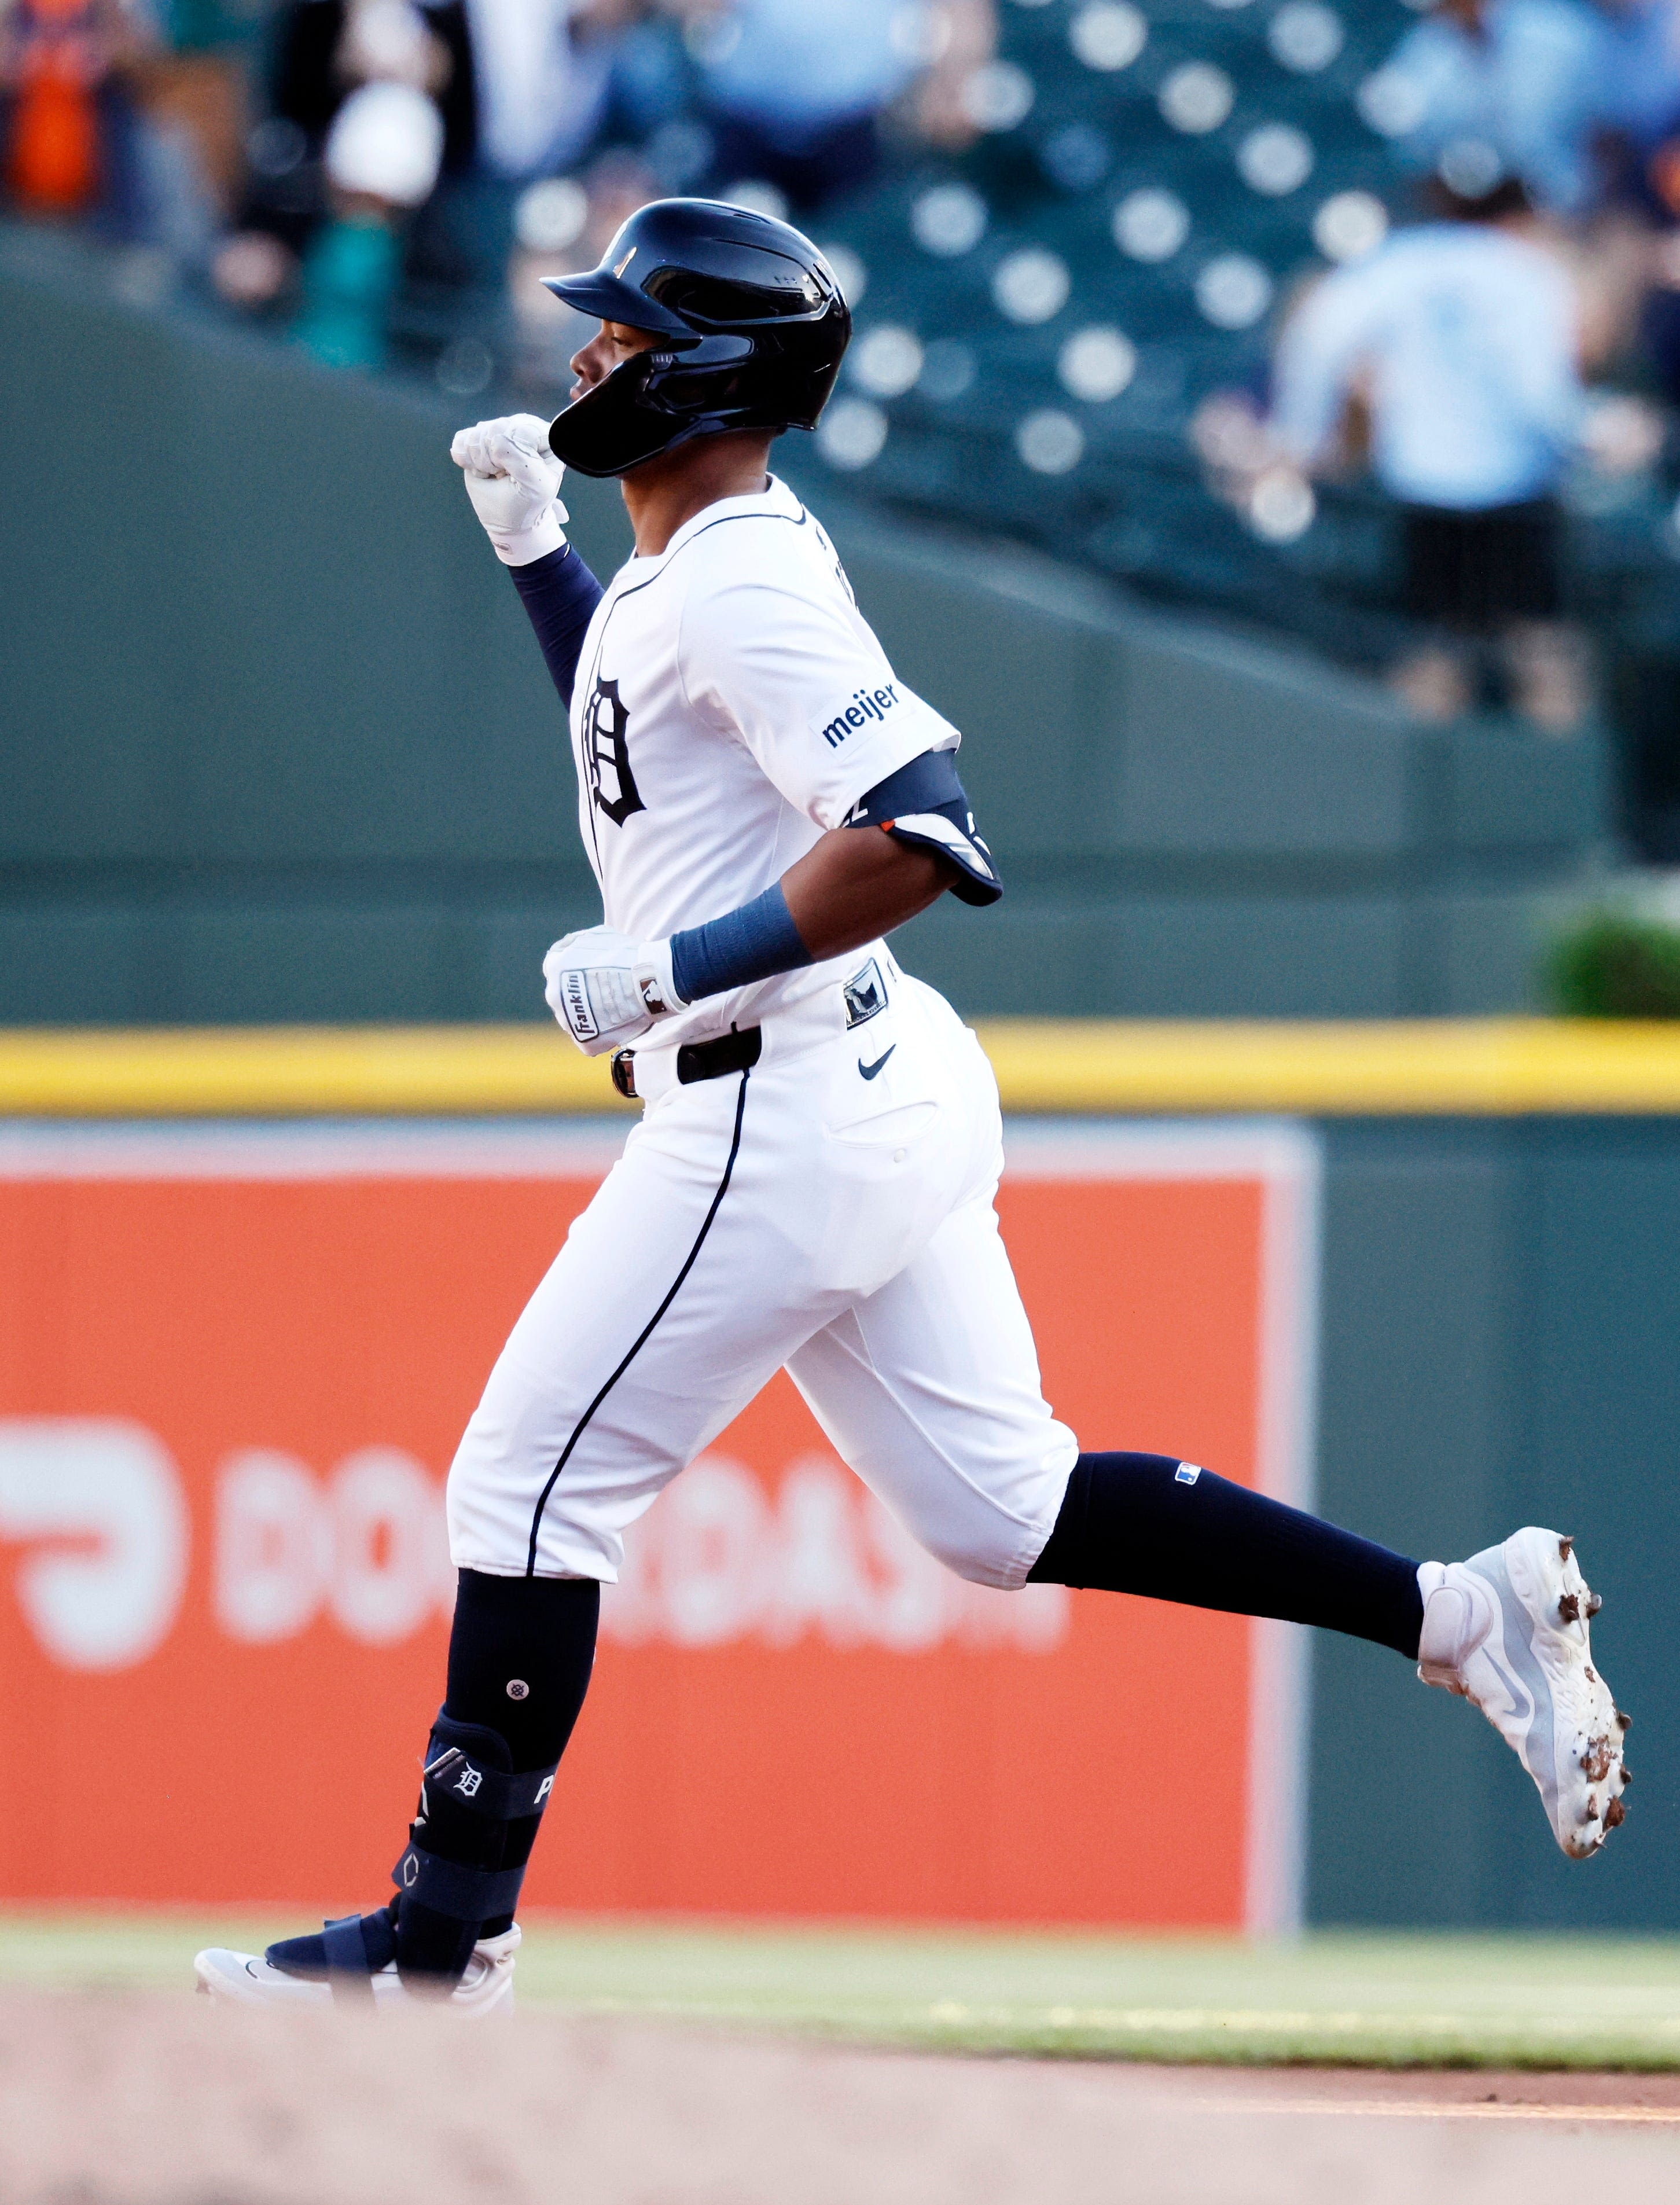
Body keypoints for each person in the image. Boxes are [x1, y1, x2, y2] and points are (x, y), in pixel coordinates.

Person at [194, 198, 1630, 2015]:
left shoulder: (737, 570)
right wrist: (533, 562)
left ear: (704, 367)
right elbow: (650, 760)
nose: (586, 356)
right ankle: (1457, 1612)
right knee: (1000, 1513)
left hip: (769, 1101)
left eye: (622, 335)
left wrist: (674, 971)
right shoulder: (692, 556)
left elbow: (921, 827)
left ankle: (439, 1935)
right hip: (876, 1077)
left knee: (525, 1487)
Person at [1269, 166, 1593, 727]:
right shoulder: (1524, 271)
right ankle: (1559, 797)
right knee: (1541, 648)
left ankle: (1420, 792)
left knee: (1436, 646)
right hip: (1512, 487)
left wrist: (1300, 437)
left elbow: (1316, 338)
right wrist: (1587, 434)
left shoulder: (1395, 264)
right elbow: (1543, 395)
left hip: (1424, 485)